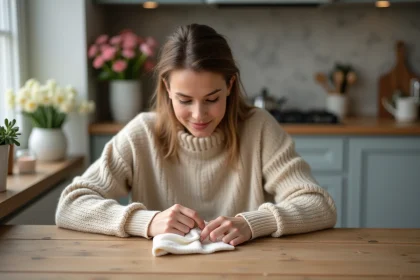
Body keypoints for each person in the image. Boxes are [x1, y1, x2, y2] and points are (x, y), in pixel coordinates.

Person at [56, 23, 336, 247]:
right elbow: (70, 205)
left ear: (230, 85)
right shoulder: (141, 132)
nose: (199, 115)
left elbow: (319, 205)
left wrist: (254, 223)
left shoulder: (259, 127)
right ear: (166, 88)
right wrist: (147, 221)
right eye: (185, 100)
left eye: (212, 99)